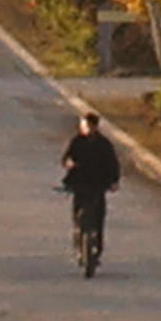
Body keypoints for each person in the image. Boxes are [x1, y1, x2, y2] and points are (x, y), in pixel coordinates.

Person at [58, 109, 120, 277]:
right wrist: (69, 164)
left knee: (98, 218)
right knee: (78, 216)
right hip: (80, 183)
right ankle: (79, 244)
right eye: (83, 126)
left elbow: (113, 164)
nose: (84, 129)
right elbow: (66, 158)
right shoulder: (77, 142)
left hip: (98, 184)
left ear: (94, 126)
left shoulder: (104, 144)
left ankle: (96, 250)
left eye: (87, 126)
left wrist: (114, 181)